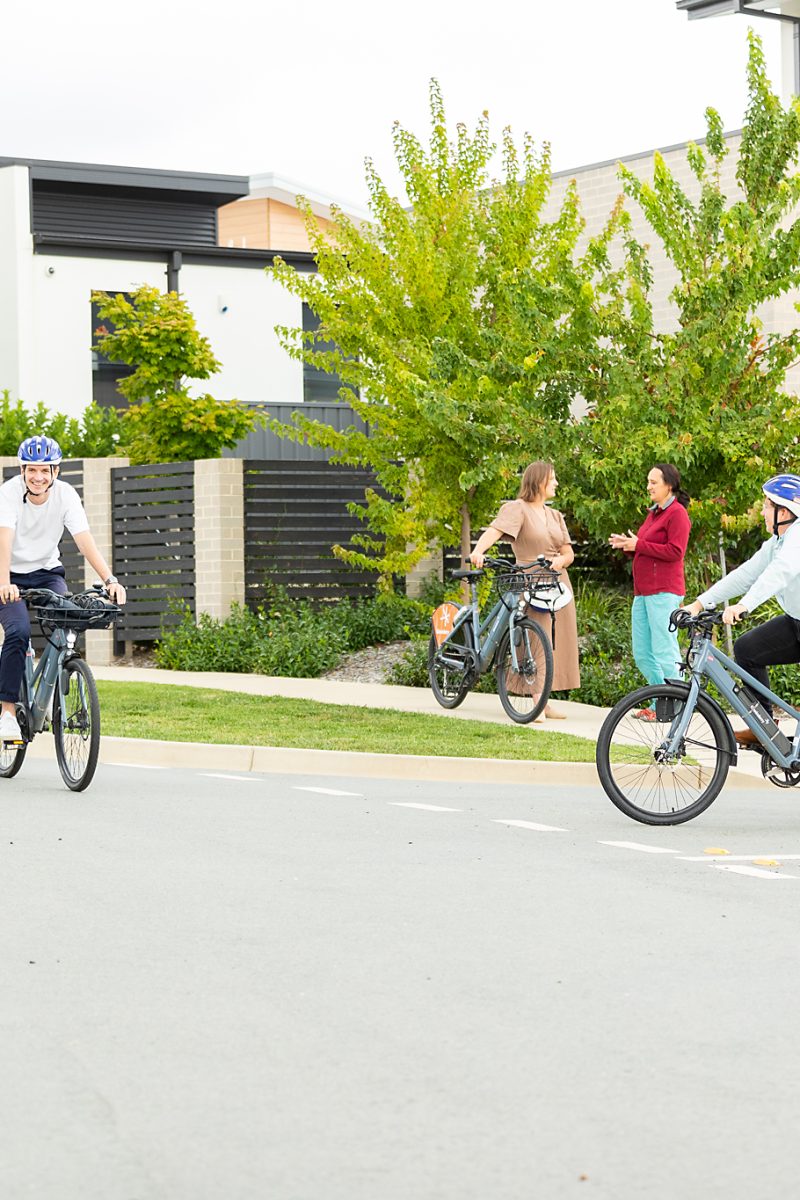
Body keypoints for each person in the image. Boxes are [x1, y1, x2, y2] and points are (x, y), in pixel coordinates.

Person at [0, 436, 126, 742]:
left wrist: (110, 580)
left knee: (67, 624)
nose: (38, 477)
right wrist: (4, 582)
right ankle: (7, 713)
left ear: (55, 471)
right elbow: (4, 539)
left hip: (46, 573)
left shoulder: (66, 495)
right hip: (9, 573)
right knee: (18, 632)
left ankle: (51, 694)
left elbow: (84, 540)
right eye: (32, 470)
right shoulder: (9, 493)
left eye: (45, 470)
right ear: (23, 470)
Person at [682, 473, 800, 746]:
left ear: (783, 512)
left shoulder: (797, 538)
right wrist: (699, 603)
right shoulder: (777, 542)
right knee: (748, 649)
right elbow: (746, 574)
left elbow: (780, 573)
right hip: (795, 622)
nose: (763, 512)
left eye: (767, 506)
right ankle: (764, 728)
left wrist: (746, 604)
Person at [470, 461, 580, 717]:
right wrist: (478, 551)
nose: (556, 483)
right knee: (535, 637)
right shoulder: (517, 509)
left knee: (556, 640)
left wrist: (562, 561)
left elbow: (568, 552)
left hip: (557, 583)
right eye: (552, 478)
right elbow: (494, 531)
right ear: (539, 481)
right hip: (530, 579)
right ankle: (537, 699)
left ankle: (544, 700)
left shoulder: (556, 515)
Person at [608, 464, 691, 720]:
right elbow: (647, 547)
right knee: (643, 654)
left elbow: (676, 551)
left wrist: (639, 544)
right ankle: (660, 704)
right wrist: (629, 545)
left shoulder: (677, 514)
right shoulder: (654, 513)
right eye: (648, 482)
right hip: (643, 593)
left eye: (654, 482)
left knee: (665, 651)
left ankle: (677, 708)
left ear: (669, 485)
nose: (649, 487)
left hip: (664, 592)